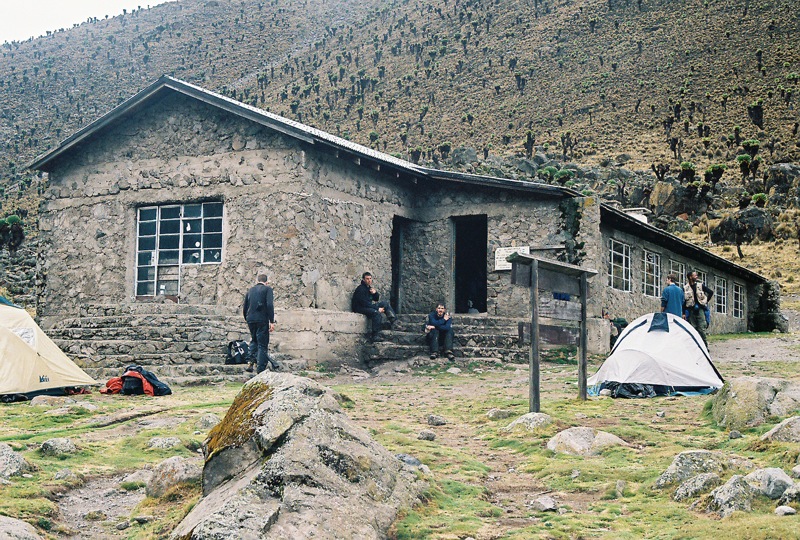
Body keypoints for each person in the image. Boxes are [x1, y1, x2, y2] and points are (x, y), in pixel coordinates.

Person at [243, 274, 278, 373]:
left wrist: (247, 318)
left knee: (254, 340)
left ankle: (250, 362)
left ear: (257, 280)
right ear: (266, 282)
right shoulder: (267, 289)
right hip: (262, 319)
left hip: (250, 318)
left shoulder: (250, 290)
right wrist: (271, 321)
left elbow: (245, 307)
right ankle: (260, 369)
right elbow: (269, 305)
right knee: (262, 344)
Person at [351, 272, 396, 342]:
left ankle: (394, 322)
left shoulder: (369, 288)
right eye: (367, 279)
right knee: (376, 313)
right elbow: (364, 303)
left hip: (367, 306)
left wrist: (375, 293)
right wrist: (377, 309)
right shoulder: (361, 289)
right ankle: (375, 335)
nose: (369, 280)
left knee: (385, 303)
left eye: (370, 278)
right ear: (363, 279)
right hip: (359, 308)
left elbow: (376, 299)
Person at [683, 270, 714, 346]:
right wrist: (683, 312)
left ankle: (704, 346)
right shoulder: (685, 288)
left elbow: (711, 292)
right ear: (690, 277)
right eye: (695, 275)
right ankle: (695, 346)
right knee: (693, 328)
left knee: (701, 328)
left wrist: (706, 301)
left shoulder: (700, 286)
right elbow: (683, 301)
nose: (696, 276)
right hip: (691, 310)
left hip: (700, 309)